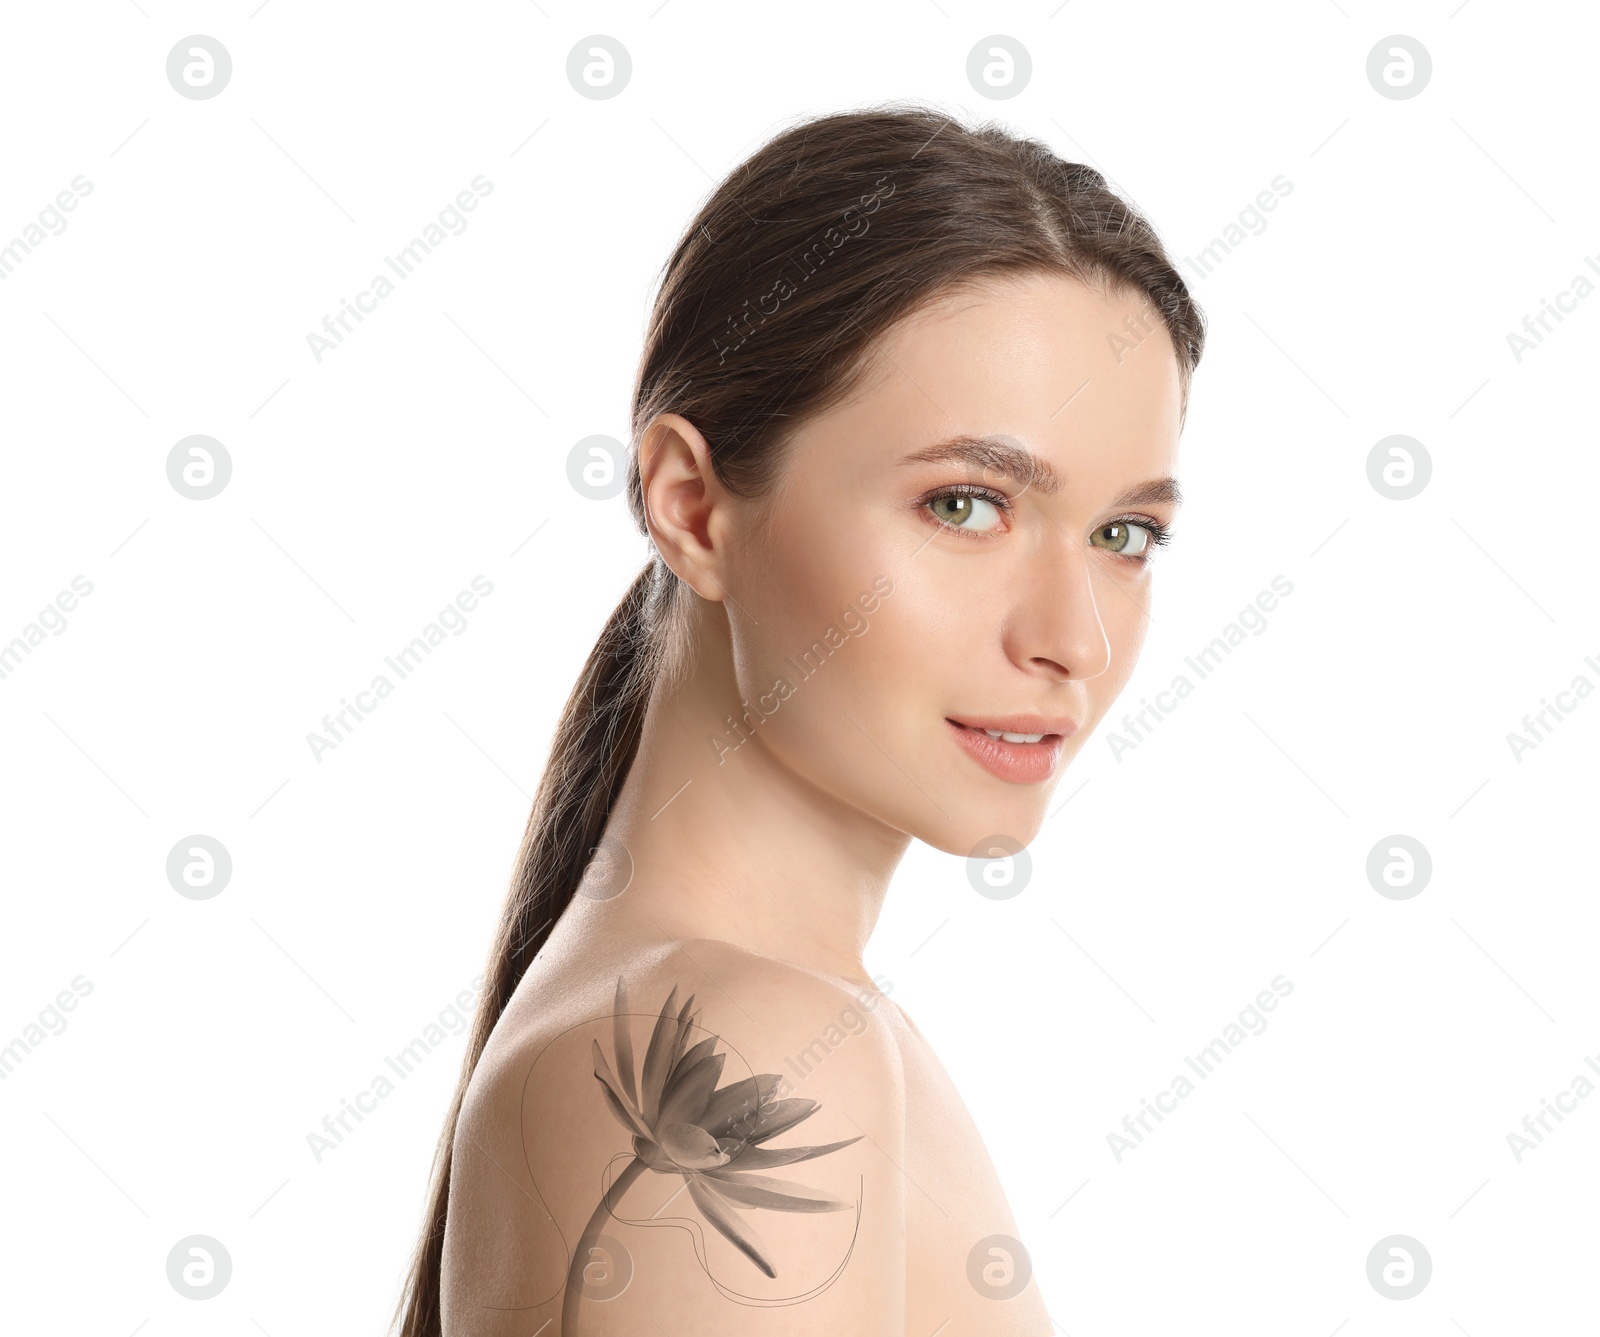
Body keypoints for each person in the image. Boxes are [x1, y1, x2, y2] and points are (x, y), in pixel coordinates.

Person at [394, 103, 1205, 1337]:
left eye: (1122, 534)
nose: (1073, 638)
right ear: (692, 505)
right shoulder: (746, 1050)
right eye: (967, 505)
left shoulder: (750, 1018)